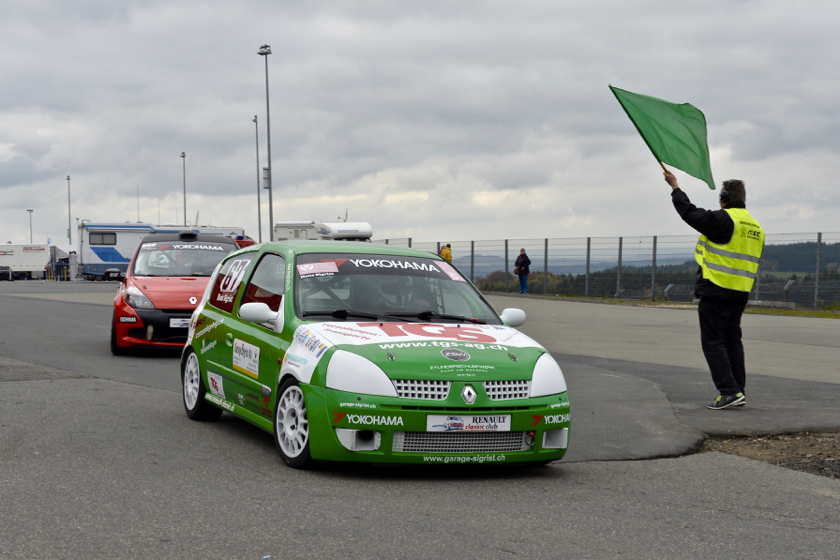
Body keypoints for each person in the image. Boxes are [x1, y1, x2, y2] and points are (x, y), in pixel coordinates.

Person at [664, 170, 765, 410]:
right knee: (732, 341)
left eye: (721, 196)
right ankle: (737, 390)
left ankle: (729, 391)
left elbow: (690, 213)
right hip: (740, 292)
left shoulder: (724, 220)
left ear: (726, 197)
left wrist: (675, 187)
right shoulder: (755, 227)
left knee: (713, 342)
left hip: (717, 289)